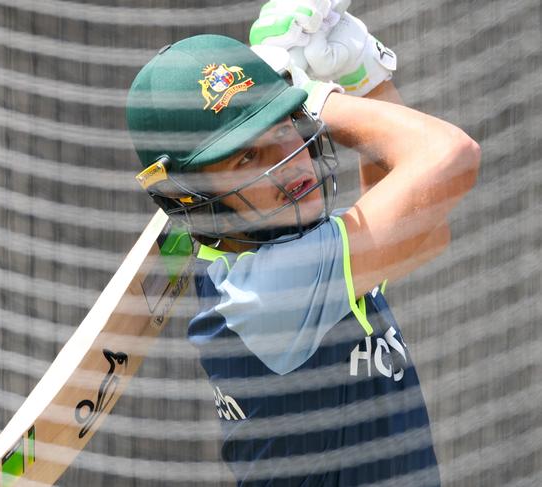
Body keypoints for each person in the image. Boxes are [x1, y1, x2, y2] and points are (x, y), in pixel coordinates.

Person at [126, 3, 480, 485]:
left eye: (283, 127)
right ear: (192, 195)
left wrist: (364, 77)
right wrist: (314, 95)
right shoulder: (264, 294)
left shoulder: (269, 248)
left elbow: (421, 230)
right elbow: (451, 157)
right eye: (247, 156)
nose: (289, 161)